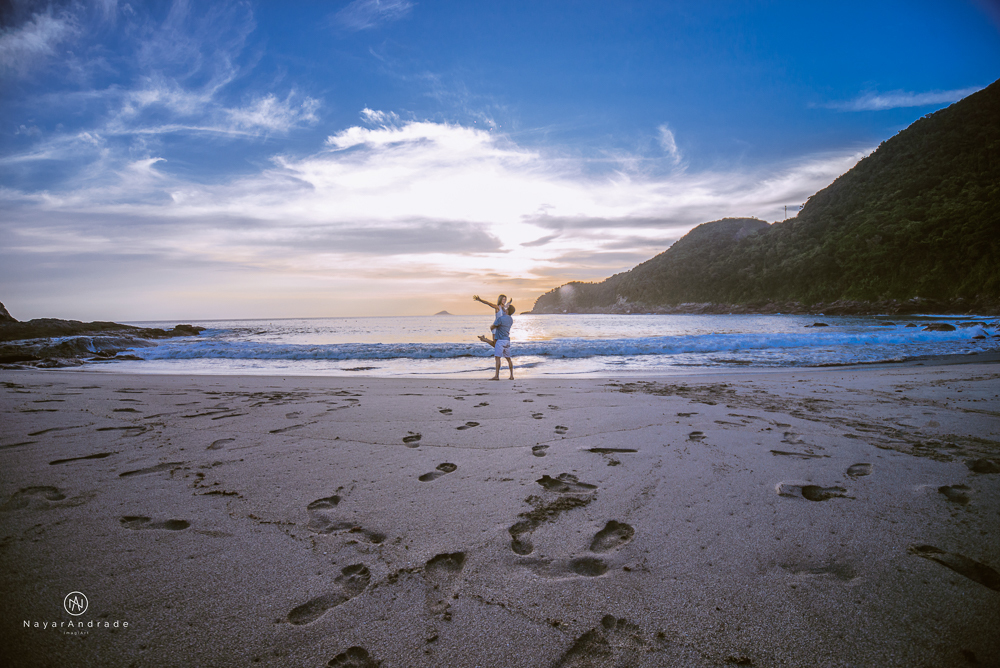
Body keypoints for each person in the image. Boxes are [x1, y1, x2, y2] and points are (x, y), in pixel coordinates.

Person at [478, 303, 514, 380]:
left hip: (500, 340)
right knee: (508, 359)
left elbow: (493, 326)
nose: (505, 308)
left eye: (506, 308)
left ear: (507, 310)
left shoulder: (501, 318)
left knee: (497, 358)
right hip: (507, 340)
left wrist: (492, 328)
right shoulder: (511, 319)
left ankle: (496, 376)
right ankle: (511, 376)